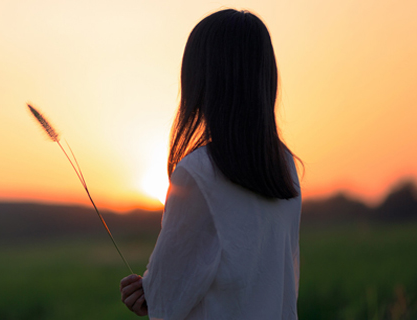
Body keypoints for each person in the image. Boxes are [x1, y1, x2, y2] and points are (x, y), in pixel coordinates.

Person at [119, 9, 302, 320]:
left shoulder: (198, 173)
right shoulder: (284, 165)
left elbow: (166, 300)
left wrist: (146, 294)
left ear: (202, 80)